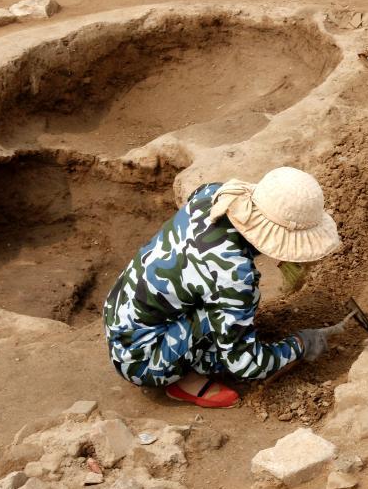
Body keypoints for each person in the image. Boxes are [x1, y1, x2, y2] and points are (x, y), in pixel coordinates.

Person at [103, 167, 344, 408]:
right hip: (140, 359)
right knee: (236, 324)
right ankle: (181, 378)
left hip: (120, 311)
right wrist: (300, 344)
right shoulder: (234, 275)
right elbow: (248, 365)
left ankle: (206, 333)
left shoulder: (215, 194)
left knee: (229, 304)